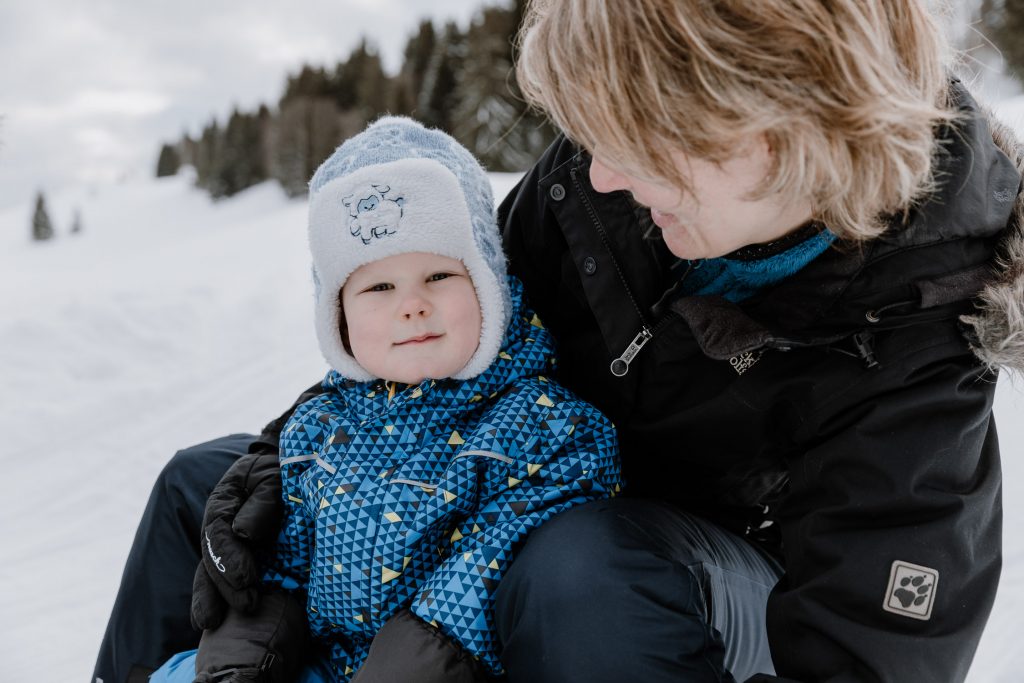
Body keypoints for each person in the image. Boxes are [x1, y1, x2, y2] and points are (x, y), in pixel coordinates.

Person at [92, 1, 1024, 681]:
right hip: (522, 475)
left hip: (668, 587)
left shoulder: (917, 340)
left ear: (767, 134)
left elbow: (871, 653)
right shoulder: (608, 181)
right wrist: (283, 451)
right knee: (202, 485)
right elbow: (460, 327)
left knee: (572, 563)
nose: (602, 172)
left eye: (639, 143)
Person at [143, 117, 621, 683]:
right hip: (321, 662)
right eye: (379, 287)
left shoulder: (544, 427)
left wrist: (411, 663)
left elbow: (489, 571)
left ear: (490, 285)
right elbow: (286, 562)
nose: (412, 306)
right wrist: (248, 648)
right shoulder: (318, 426)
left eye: (440, 275)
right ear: (338, 317)